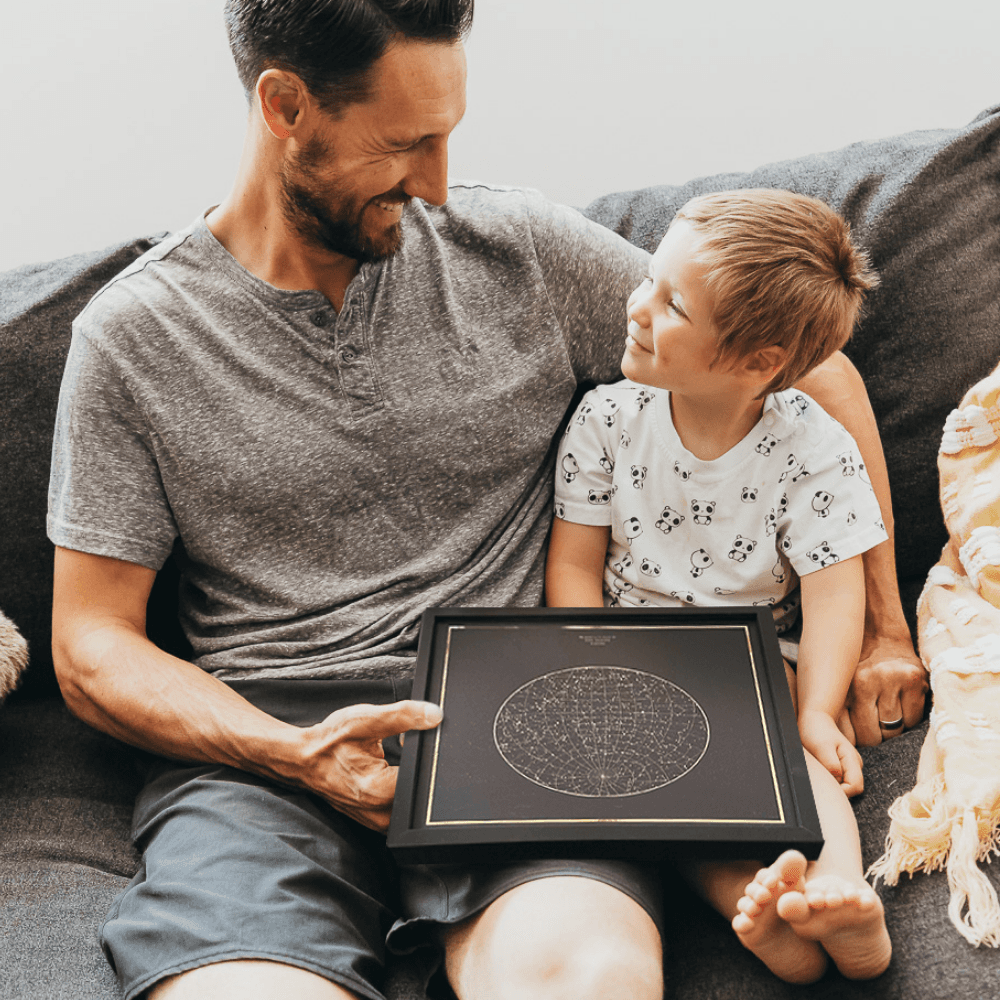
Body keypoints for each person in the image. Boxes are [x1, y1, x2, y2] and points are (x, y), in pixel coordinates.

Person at [47, 2, 918, 998]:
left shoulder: (518, 248)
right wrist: (290, 751)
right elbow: (91, 648)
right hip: (263, 766)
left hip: (526, 745)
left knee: (589, 981)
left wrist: (886, 631)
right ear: (286, 107)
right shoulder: (131, 339)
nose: (437, 182)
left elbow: (809, 375)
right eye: (406, 143)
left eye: (449, 134)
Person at [546, 189, 894, 982]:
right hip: (632, 664)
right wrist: (598, 663)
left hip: (754, 665)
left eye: (671, 305)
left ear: (756, 364)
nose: (637, 308)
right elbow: (572, 565)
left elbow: (836, 593)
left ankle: (837, 888)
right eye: (648, 282)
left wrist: (817, 710)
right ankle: (765, 911)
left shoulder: (812, 447)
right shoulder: (606, 420)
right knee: (657, 813)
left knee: (797, 764)